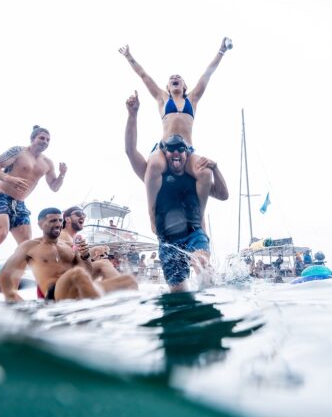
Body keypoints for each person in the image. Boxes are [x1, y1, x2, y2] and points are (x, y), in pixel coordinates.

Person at [119, 38, 231, 232]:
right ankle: (151, 214)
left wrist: (221, 51)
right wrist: (129, 56)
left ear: (185, 86)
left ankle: (199, 214)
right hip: (165, 149)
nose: (175, 77)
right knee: (153, 164)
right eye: (171, 78)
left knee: (204, 171)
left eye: (178, 77)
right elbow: (144, 76)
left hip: (187, 149)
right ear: (168, 87)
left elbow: (207, 74)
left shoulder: (193, 98)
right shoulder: (162, 98)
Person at [124, 93, 229, 292]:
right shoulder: (153, 176)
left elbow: (224, 195)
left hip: (194, 233)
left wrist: (216, 168)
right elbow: (130, 151)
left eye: (180, 149)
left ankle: (212, 303)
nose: (176, 153)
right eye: (171, 149)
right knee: (178, 292)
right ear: (165, 152)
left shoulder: (195, 178)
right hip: (167, 241)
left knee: (201, 264)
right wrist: (132, 114)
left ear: (186, 152)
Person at [0, 126, 67, 302]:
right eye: (41, 138)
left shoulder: (47, 163)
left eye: (47, 139)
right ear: (33, 139)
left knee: (27, 247)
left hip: (20, 204)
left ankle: (9, 290)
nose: (45, 142)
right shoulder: (18, 151)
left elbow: (54, 187)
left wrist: (62, 175)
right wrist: (9, 178)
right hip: (1, 196)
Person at [0, 208, 137, 302]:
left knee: (129, 281)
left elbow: (86, 271)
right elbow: (6, 274)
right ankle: (95, 316)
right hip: (54, 294)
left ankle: (124, 313)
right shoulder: (30, 246)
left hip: (78, 289)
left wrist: (84, 256)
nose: (58, 224)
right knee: (76, 273)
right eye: (53, 221)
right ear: (40, 224)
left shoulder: (67, 247)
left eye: (59, 220)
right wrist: (13, 297)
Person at [59, 205, 122, 282]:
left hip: (74, 275)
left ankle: (109, 288)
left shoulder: (72, 237)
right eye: (78, 214)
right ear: (67, 219)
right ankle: (120, 288)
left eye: (84, 215)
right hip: (68, 281)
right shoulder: (63, 236)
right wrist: (90, 253)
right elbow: (70, 264)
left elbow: (79, 261)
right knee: (104, 263)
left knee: (101, 260)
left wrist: (92, 253)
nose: (82, 216)